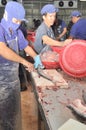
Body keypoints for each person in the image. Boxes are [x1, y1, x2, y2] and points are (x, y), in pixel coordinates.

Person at [0, 1, 43, 130]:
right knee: (4, 116)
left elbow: (25, 46)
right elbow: (2, 50)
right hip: (1, 82)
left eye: (20, 21)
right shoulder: (1, 29)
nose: (18, 23)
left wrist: (36, 57)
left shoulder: (16, 30)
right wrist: (24, 61)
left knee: (14, 113)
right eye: (15, 20)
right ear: (7, 15)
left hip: (13, 81)